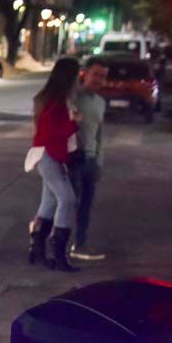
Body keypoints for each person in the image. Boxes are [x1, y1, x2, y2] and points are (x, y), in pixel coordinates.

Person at [27, 57, 82, 272]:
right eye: (76, 74)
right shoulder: (56, 101)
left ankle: (38, 251)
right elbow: (49, 130)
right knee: (67, 198)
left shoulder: (53, 97)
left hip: (49, 154)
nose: (78, 78)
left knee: (49, 202)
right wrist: (74, 123)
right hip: (48, 153)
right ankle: (58, 254)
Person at [70, 57, 109, 260]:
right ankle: (58, 243)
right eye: (96, 75)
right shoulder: (73, 98)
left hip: (91, 161)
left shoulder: (100, 103)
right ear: (85, 73)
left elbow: (100, 134)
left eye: (102, 77)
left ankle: (80, 244)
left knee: (86, 205)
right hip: (73, 159)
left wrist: (99, 162)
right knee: (69, 203)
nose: (99, 80)